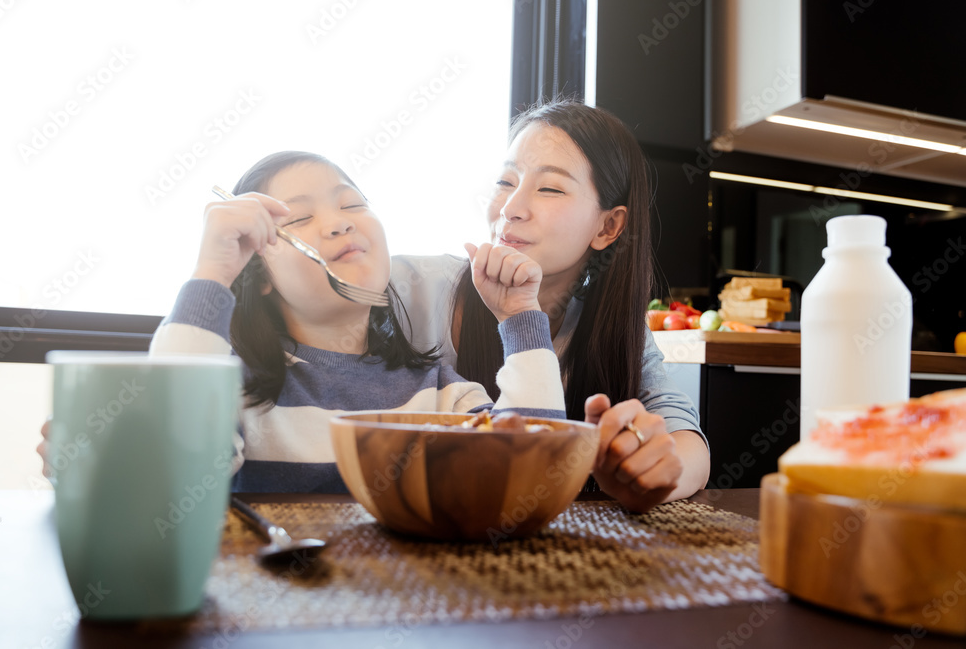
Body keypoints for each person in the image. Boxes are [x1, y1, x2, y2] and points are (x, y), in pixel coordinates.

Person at [41, 150, 568, 493]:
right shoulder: (236, 396)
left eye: (352, 204)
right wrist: (213, 273)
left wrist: (521, 316)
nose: (338, 221)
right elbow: (166, 470)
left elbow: (533, 476)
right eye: (298, 220)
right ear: (260, 276)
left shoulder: (439, 394)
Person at [388, 100, 710, 512]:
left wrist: (653, 470)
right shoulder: (416, 288)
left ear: (608, 227)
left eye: (549, 188)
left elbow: (685, 439)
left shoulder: (613, 326)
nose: (510, 208)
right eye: (506, 182)